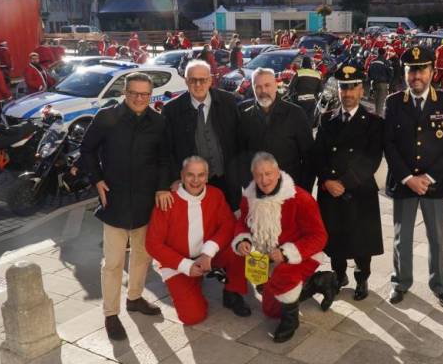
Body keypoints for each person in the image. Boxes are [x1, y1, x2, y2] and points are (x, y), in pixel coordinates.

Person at [79, 73, 171, 341]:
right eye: (134, 93)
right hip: (115, 199)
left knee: (143, 256)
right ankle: (110, 314)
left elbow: (165, 158)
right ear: (125, 92)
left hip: (145, 200)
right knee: (114, 262)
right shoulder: (108, 117)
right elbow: (86, 150)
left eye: (144, 94)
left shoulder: (158, 121)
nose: (139, 99)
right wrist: (97, 180)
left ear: (151, 95)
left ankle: (135, 298)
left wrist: (163, 187)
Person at [383, 46, 443, 307]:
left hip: (435, 184)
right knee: (401, 238)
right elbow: (389, 144)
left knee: (437, 238)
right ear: (405, 73)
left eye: (421, 70)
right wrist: (408, 178)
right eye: (411, 71)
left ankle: (440, 285)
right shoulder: (394, 102)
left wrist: (428, 176)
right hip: (404, 182)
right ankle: (400, 282)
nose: (416, 76)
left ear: (431, 72)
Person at [232, 152, 329, 343]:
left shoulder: (300, 198)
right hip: (267, 256)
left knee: (284, 276)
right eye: (259, 174)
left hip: (303, 254)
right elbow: (243, 223)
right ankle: (321, 282)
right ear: (253, 175)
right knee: (270, 311)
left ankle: (290, 321)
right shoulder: (248, 197)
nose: (264, 179)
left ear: (278, 173)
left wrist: (286, 253)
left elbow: (320, 237)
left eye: (268, 173)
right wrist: (243, 240)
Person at [145, 156, 251, 325]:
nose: (196, 180)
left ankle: (232, 293)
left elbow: (228, 224)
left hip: (208, 256)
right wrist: (186, 266)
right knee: (193, 317)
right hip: (179, 262)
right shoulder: (167, 201)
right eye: (190, 175)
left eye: (201, 175)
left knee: (238, 246)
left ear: (207, 177)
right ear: (182, 175)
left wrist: (208, 252)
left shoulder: (215, 194)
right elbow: (152, 244)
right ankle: (193, 282)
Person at [311, 66, 384, 301]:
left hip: (359, 190)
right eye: (343, 87)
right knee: (335, 238)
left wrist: (343, 182)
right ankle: (339, 275)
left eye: (353, 87)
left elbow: (372, 159)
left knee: (361, 241)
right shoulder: (326, 118)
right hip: (330, 190)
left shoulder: (373, 122)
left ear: (361, 89)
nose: (348, 92)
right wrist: (326, 180)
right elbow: (318, 154)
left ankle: (362, 279)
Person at [160, 60, 243, 212]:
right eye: (193, 80)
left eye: (203, 80)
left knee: (229, 221)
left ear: (210, 80)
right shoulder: (172, 110)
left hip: (227, 179)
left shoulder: (228, 102)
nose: (198, 84)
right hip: (192, 182)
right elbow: (166, 150)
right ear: (186, 81)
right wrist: (172, 179)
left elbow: (240, 139)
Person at [239, 68, 314, 190]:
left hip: (290, 190)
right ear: (252, 88)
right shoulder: (245, 116)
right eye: (258, 86)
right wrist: (248, 186)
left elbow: (309, 157)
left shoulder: (295, 113)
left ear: (275, 85)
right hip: (258, 193)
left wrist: (303, 191)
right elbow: (241, 157)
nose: (263, 91)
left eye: (267, 85)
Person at [287, 56, 322, 120]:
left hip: (300, 101)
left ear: (302, 63)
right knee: (309, 120)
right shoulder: (317, 74)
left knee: (299, 120)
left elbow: (291, 87)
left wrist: (291, 98)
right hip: (312, 102)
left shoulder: (299, 73)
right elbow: (320, 90)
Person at [367, 50, 393, 117]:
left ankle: (376, 115)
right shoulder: (386, 62)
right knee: (380, 101)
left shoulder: (373, 61)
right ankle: (377, 118)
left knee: (376, 100)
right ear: (384, 54)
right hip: (383, 84)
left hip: (374, 83)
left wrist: (370, 80)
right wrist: (389, 82)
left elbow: (369, 72)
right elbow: (390, 72)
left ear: (378, 53)